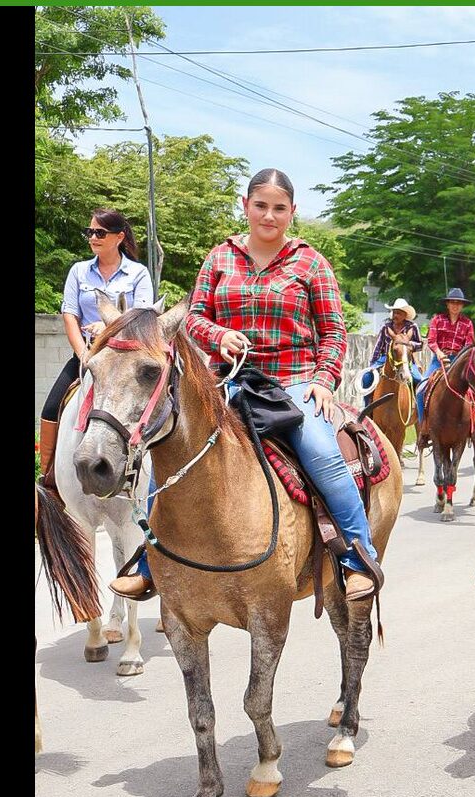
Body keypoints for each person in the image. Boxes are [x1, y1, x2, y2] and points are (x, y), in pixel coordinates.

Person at [111, 168, 382, 603]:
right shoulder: (220, 257)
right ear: (245, 205)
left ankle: (357, 557)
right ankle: (150, 559)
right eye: (261, 206)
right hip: (225, 381)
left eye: (279, 208)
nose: (269, 216)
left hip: (293, 382)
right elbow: (193, 317)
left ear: (292, 212)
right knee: (166, 445)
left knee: (322, 453)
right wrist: (219, 336)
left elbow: (333, 331)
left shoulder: (311, 262)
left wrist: (323, 380)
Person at [37, 208, 153, 503]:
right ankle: (48, 480)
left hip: (125, 360)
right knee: (50, 409)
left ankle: (147, 476)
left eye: (100, 233)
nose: (93, 238)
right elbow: (70, 314)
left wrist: (108, 326)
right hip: (87, 356)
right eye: (90, 232)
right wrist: (84, 355)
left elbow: (142, 318)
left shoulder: (138, 274)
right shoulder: (78, 271)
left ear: (119, 237)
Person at [416, 287, 475, 422]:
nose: (455, 305)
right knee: (421, 389)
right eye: (452, 302)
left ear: (462, 305)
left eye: (458, 303)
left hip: (459, 361)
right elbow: (432, 340)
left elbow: (468, 345)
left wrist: (459, 359)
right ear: (447, 304)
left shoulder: (467, 323)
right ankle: (423, 424)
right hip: (439, 360)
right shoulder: (437, 320)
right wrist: (439, 353)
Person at [359, 298, 423, 408]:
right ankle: (367, 406)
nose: (395, 315)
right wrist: (373, 364)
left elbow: (420, 344)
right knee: (367, 377)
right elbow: (378, 346)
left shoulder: (412, 327)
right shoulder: (386, 327)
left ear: (405, 315)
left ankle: (417, 407)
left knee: (419, 380)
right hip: (385, 357)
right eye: (394, 312)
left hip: (405, 358)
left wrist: (408, 344)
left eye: (398, 313)